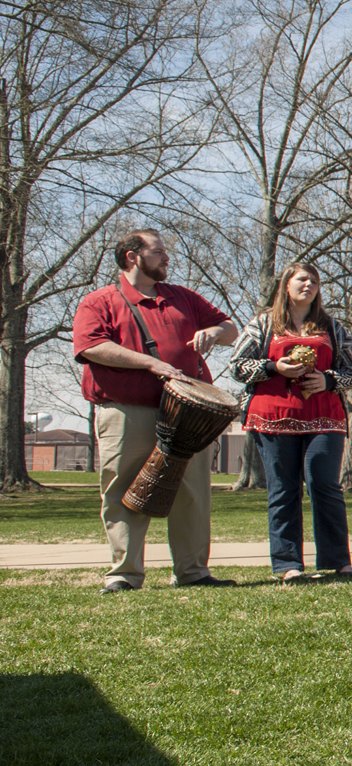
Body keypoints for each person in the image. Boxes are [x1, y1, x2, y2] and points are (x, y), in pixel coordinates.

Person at [74, 229, 239, 592]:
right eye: (159, 251)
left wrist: (214, 331)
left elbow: (231, 330)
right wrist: (149, 364)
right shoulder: (99, 301)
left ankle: (193, 572)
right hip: (126, 410)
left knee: (193, 490)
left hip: (188, 414)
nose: (166, 258)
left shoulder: (183, 297)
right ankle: (124, 575)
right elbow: (91, 347)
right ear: (133, 256)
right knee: (123, 488)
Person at [228, 262, 352, 580]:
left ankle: (337, 562)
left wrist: (328, 381)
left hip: (324, 418)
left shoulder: (331, 327)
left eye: (314, 280)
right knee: (283, 490)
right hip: (273, 416)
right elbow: (237, 365)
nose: (309, 284)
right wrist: (275, 368)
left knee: (324, 484)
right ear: (286, 285)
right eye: (302, 279)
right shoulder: (264, 324)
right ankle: (288, 565)